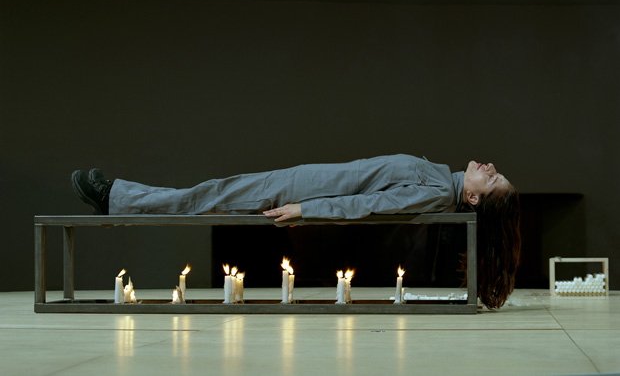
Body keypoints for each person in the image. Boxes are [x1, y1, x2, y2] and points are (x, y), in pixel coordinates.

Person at [71, 154, 520, 308]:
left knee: (210, 194)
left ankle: (115, 198)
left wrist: (307, 209)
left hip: (305, 189)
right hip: (306, 182)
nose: (490, 168)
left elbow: (370, 206)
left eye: (493, 179)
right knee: (213, 193)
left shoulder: (437, 191)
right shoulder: (441, 180)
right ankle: (118, 202)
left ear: (476, 199)